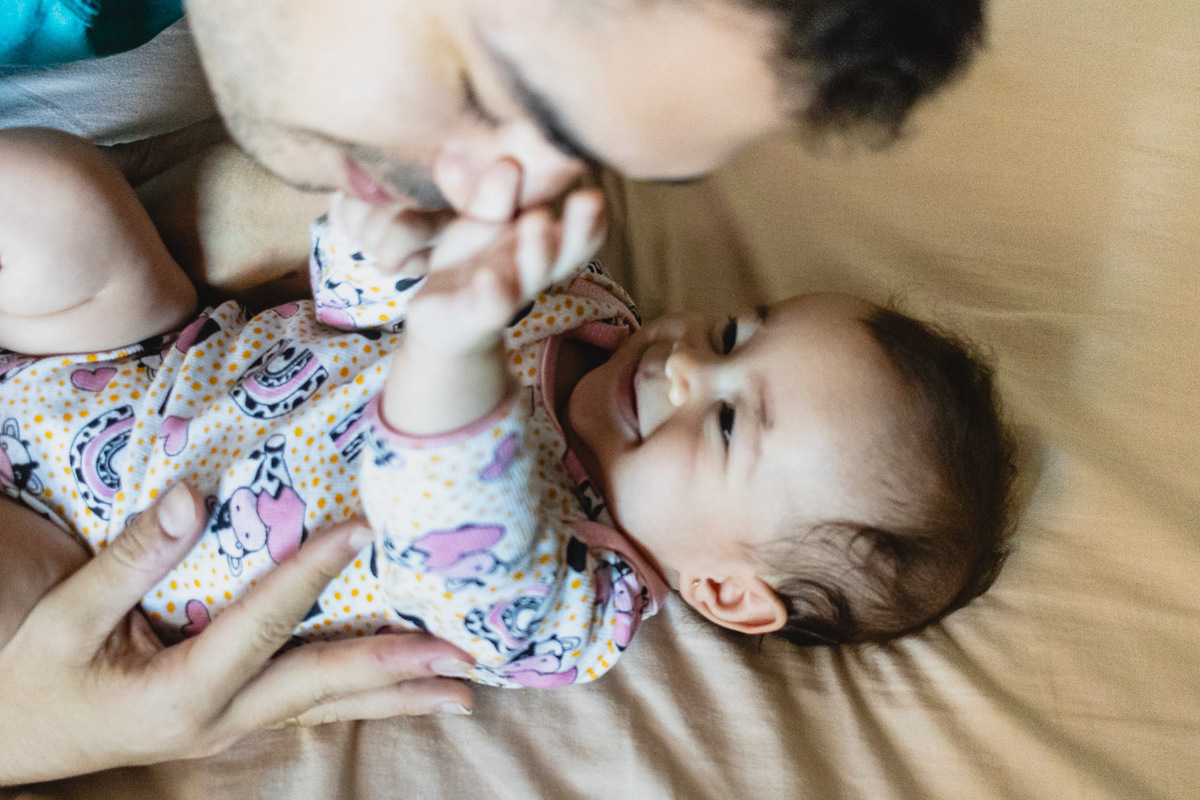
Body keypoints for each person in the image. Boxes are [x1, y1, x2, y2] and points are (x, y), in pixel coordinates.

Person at [0, 130, 1015, 695]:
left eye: (726, 424)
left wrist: (452, 338)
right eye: (736, 335)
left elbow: (438, 514)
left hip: (86, 555)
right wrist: (391, 234)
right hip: (127, 363)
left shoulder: (567, 605)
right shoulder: (589, 307)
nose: (683, 368)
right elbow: (359, 305)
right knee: (55, 199)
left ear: (728, 587)